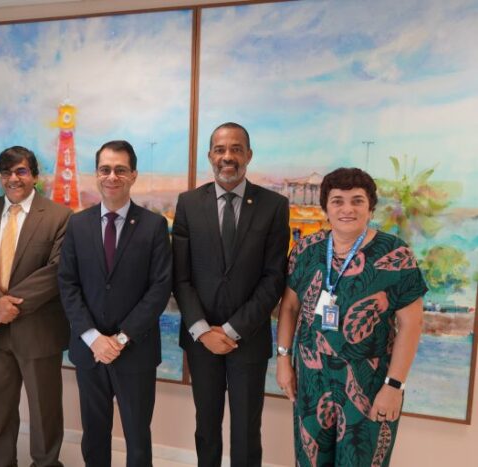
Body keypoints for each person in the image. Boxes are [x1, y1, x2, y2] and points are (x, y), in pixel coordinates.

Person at [276, 167, 427, 467]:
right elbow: (289, 307)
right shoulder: (306, 250)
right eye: (338, 201)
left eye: (357, 200)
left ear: (370, 208)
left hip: (369, 381)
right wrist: (283, 359)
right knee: (310, 460)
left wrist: (394, 386)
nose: (347, 209)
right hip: (311, 377)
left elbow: (412, 324)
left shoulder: (396, 254)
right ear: (326, 208)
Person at [172, 122, 290, 466]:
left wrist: (231, 329)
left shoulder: (274, 206)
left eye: (236, 149)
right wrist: (202, 330)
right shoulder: (188, 203)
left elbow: (273, 278)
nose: (228, 157)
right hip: (201, 341)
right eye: (220, 149)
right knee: (206, 428)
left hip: (248, 340)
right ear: (210, 156)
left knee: (246, 432)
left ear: (248, 155)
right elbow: (180, 277)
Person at [57, 140, 172, 467]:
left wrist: (120, 339)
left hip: (135, 350)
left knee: (137, 438)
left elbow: (159, 289)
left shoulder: (154, 226)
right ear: (97, 174)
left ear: (133, 175)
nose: (112, 176)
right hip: (89, 351)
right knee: (94, 436)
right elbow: (67, 283)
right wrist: (93, 338)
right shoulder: (77, 224)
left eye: (120, 170)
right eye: (105, 169)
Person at [0, 146, 72, 467]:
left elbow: (56, 270)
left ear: (34, 176)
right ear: (0, 177)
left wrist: (8, 306)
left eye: (21, 171)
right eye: (7, 172)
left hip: (38, 331)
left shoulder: (59, 216)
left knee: (45, 412)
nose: (14, 178)